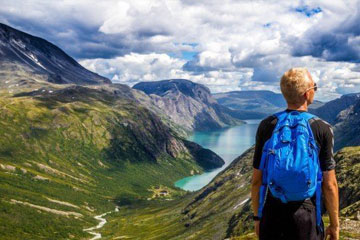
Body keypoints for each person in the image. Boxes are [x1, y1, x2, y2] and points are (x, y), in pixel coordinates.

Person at [251, 68, 340, 240]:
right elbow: (330, 185)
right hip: (306, 215)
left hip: (272, 212)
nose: (315, 89)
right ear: (307, 94)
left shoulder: (267, 125)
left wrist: (257, 218)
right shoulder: (322, 128)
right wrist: (334, 225)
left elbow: (257, 180)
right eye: (314, 86)